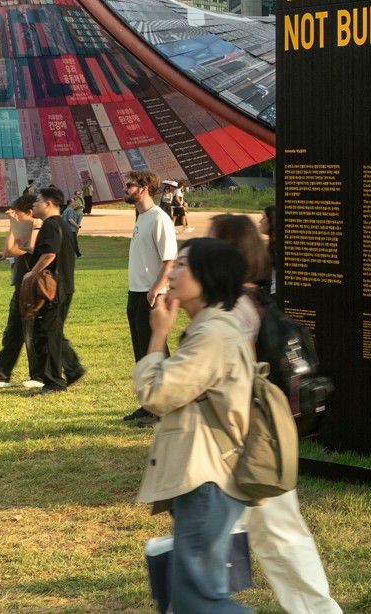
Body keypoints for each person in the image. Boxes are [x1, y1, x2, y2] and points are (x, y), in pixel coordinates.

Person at [209, 214, 340, 614]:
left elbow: (235, 384)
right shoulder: (256, 302)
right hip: (260, 440)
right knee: (274, 536)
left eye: (207, 243)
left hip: (245, 444)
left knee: (274, 536)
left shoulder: (235, 311)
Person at [134, 238, 256, 613]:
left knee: (198, 600)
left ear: (208, 276)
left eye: (183, 265)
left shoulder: (212, 334)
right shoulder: (209, 330)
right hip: (205, 474)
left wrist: (157, 335)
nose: (172, 273)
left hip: (208, 478)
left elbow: (156, 394)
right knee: (196, 594)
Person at [123, 169, 179, 426]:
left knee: (154, 354)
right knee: (142, 354)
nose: (126, 189)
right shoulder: (141, 217)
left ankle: (164, 409)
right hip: (136, 293)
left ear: (144, 189)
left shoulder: (159, 218)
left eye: (130, 185)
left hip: (151, 295)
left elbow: (170, 260)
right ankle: (148, 406)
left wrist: (155, 290)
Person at [24, 187, 85, 393]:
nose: (34, 204)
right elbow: (49, 252)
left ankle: (54, 382)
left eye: (38, 200)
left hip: (53, 288)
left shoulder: (50, 225)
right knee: (52, 331)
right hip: (64, 286)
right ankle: (73, 368)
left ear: (48, 204)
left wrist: (31, 274)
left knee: (49, 333)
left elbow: (49, 255)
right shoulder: (60, 225)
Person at [0, 195, 39, 389]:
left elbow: (13, 249)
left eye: (16, 212)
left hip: (32, 289)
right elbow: (11, 251)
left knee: (32, 333)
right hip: (21, 288)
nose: (14, 215)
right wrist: (3, 255)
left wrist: (12, 225)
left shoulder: (37, 228)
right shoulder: (28, 228)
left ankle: (41, 376)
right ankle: (0, 374)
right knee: (13, 332)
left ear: (30, 212)